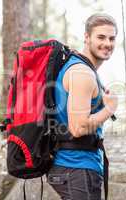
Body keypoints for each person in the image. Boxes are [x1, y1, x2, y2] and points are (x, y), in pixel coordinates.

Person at [47, 13, 118, 200]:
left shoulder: (82, 69)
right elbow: (78, 127)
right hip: (75, 167)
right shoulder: (82, 72)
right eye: (101, 37)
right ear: (87, 37)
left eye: (112, 38)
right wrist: (109, 109)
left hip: (75, 167)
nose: (107, 43)